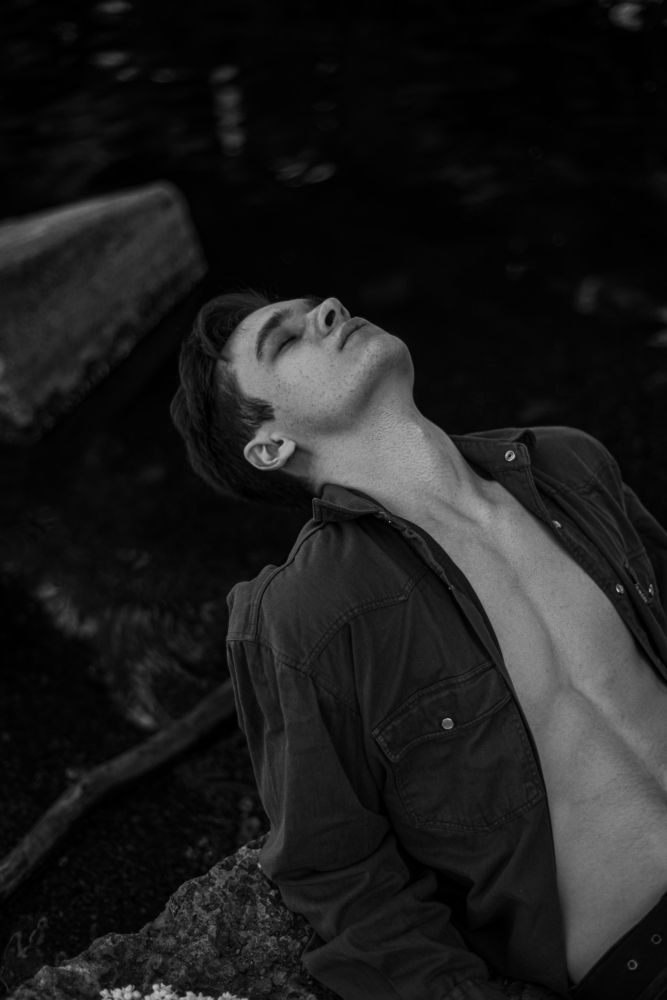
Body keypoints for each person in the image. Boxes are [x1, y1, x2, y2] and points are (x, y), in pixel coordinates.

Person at [171, 290, 667, 1000]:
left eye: (318, 306)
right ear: (270, 446)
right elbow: (338, 871)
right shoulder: (307, 613)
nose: (329, 310)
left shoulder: (565, 464)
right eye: (285, 341)